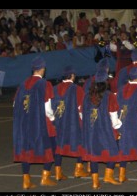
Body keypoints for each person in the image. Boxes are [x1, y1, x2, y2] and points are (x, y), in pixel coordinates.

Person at [13, 56, 57, 189]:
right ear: (42, 69)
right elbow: (47, 108)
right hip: (41, 121)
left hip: (25, 122)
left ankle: (26, 179)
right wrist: (53, 118)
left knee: (27, 149)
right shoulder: (45, 84)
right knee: (51, 147)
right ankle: (45, 177)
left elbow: (15, 104)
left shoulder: (23, 84)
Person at [82, 68, 123, 189]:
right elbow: (114, 119)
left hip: (90, 130)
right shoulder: (109, 96)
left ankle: (95, 182)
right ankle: (108, 175)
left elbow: (81, 114)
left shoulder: (86, 96)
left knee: (94, 155)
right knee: (114, 151)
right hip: (105, 130)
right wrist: (119, 125)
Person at [52, 66, 90, 180]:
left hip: (58, 122)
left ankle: (58, 171)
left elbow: (48, 106)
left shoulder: (54, 88)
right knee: (80, 144)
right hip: (73, 122)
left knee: (58, 146)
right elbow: (81, 107)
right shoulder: (76, 89)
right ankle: (78, 169)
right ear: (72, 76)